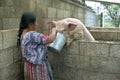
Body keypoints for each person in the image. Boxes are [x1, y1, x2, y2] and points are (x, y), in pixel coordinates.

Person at [17, 12, 57, 80]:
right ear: (30, 25)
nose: (37, 24)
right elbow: (50, 39)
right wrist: (54, 29)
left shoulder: (23, 34)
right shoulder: (32, 35)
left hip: (28, 67)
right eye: (35, 22)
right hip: (37, 68)